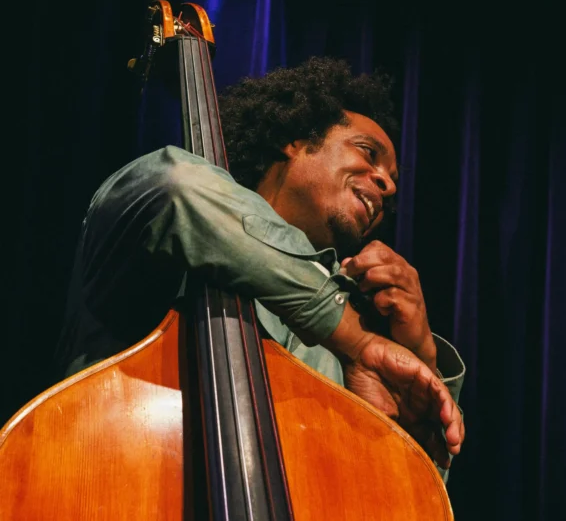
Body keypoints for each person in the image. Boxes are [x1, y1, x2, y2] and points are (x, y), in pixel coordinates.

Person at [54, 56, 465, 480]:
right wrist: (354, 338)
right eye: (368, 153)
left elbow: (405, 499)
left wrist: (421, 354)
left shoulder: (355, 339)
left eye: (392, 180)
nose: (389, 185)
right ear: (293, 139)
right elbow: (178, 190)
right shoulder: (160, 217)